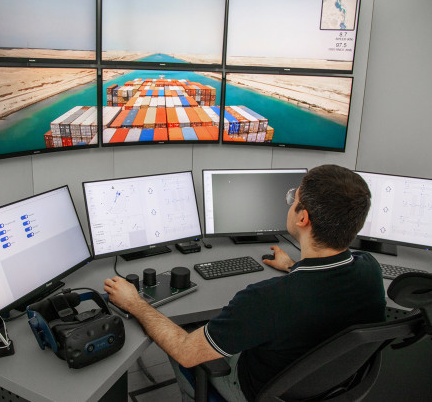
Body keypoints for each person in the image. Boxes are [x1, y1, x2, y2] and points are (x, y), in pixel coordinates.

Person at [104, 164, 386, 401]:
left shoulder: (267, 298)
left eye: (293, 198)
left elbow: (186, 352)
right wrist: (291, 266)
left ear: (302, 217)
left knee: (180, 333)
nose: (290, 203)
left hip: (259, 391)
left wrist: (135, 303)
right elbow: (323, 289)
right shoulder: (369, 270)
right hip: (328, 385)